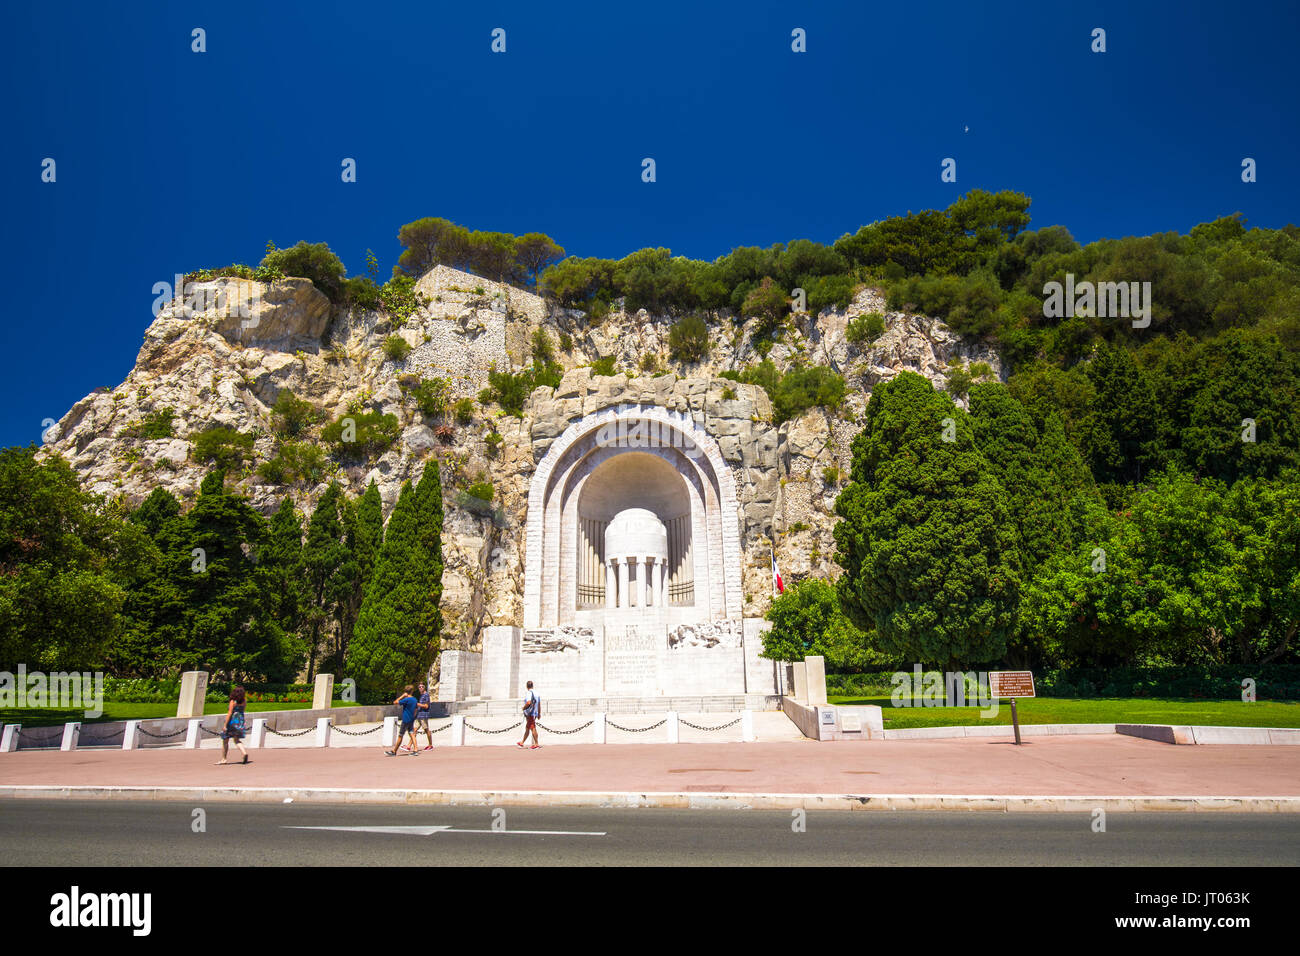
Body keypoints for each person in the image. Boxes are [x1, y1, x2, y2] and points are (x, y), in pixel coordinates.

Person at [217, 685, 250, 765]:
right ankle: (244, 753)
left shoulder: (233, 701)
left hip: (232, 722)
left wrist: (225, 725)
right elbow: (242, 711)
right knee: (237, 740)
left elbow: (230, 713)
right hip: (240, 721)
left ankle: (224, 759)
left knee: (225, 740)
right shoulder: (244, 701)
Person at [386, 685, 421, 756]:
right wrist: (413, 717)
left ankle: (394, 751)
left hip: (405, 719)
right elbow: (416, 709)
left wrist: (402, 696)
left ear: (406, 692)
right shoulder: (414, 699)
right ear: (412, 691)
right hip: (411, 719)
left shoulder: (406, 699)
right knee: (412, 734)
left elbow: (395, 702)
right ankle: (415, 749)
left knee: (400, 735)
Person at [516, 680, 540, 750]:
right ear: (532, 685)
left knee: (532, 728)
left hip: (530, 713)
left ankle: (536, 744)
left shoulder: (529, 693)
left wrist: (524, 708)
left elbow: (529, 702)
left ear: (527, 686)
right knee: (528, 728)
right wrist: (538, 713)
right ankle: (522, 742)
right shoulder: (537, 693)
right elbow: (539, 704)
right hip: (534, 712)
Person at [415, 682, 434, 751]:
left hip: (424, 715)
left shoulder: (426, 695)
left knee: (426, 730)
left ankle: (430, 745)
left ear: (424, 687)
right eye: (419, 687)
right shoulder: (421, 695)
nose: (420, 688)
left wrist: (417, 704)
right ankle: (409, 746)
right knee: (414, 730)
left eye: (422, 687)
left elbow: (426, 706)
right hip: (419, 715)